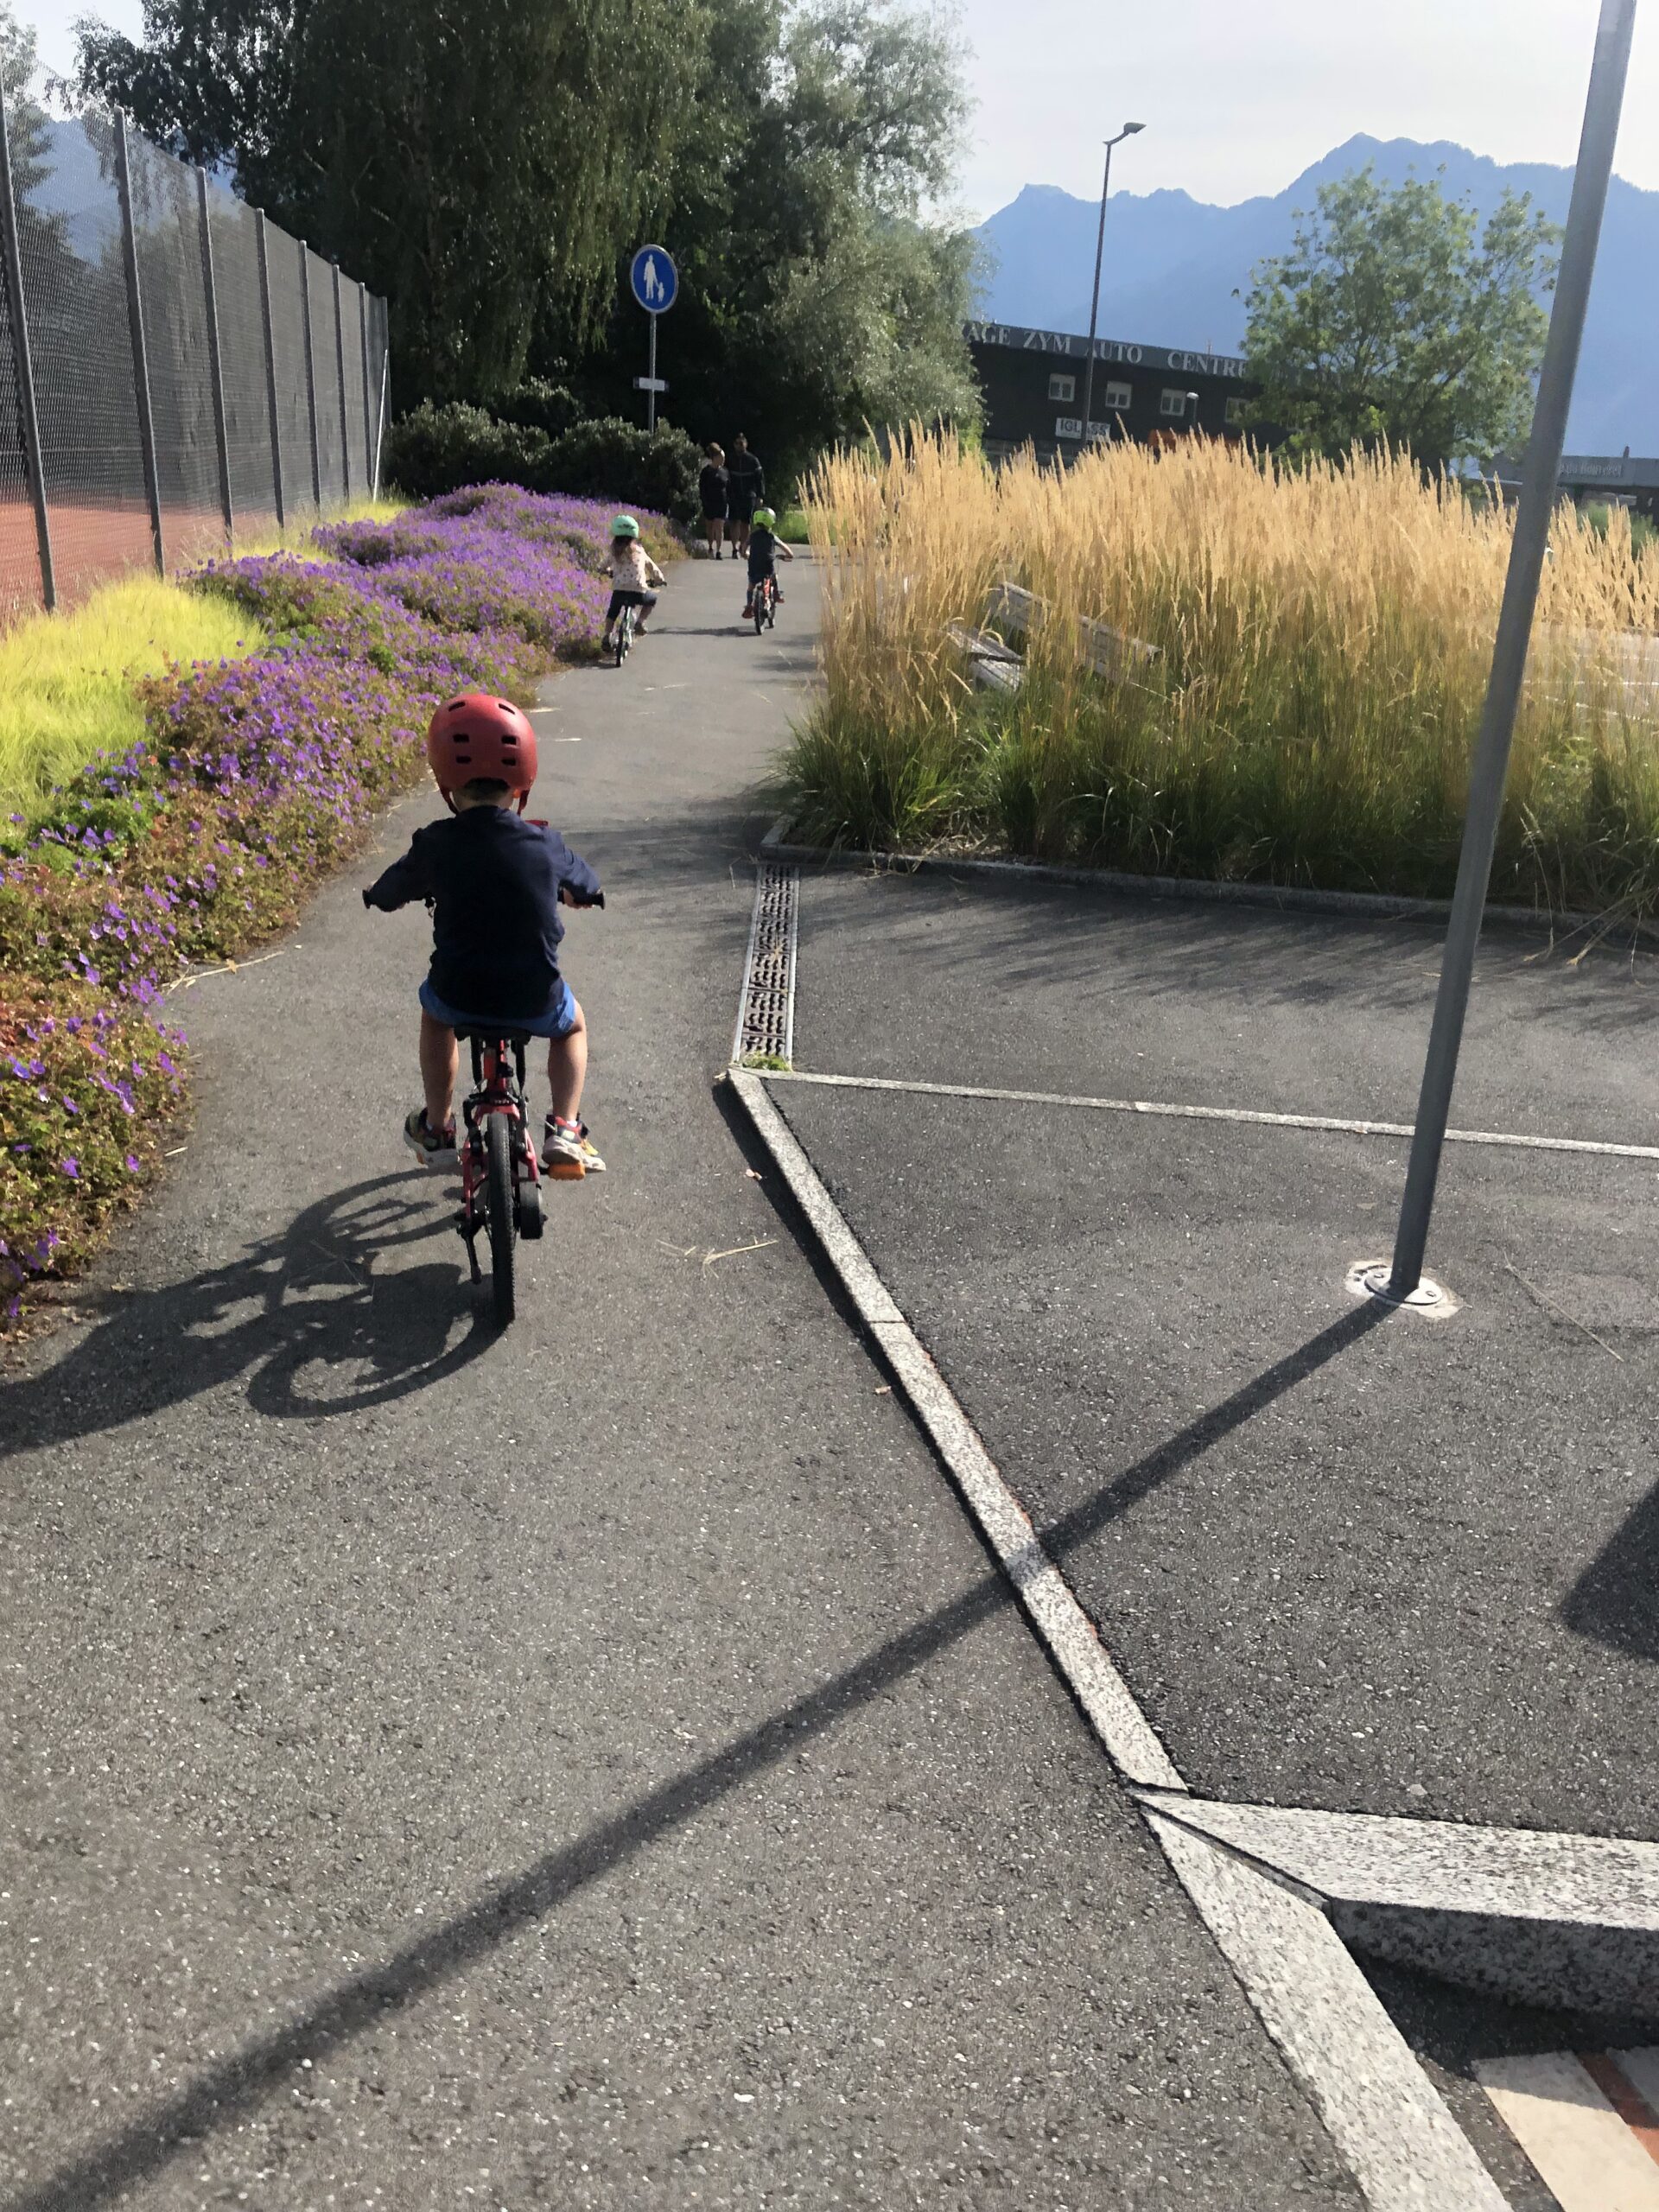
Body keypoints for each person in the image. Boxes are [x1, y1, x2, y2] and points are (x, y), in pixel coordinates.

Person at [361, 693, 607, 1179]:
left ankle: (437, 1128)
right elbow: (588, 885)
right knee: (573, 1027)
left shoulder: (434, 844)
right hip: (534, 997)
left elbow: (390, 891)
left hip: (458, 994)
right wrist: (580, 895)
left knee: (434, 1019)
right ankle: (565, 1128)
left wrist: (379, 895)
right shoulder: (547, 845)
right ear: (522, 783)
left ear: (446, 783)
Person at [601, 514, 667, 650]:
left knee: (612, 612)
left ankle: (606, 636)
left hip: (619, 591)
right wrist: (660, 580)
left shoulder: (614, 552)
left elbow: (602, 566)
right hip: (638, 592)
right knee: (652, 599)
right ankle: (640, 622)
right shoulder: (640, 551)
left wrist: (606, 571)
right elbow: (652, 568)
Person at [741, 504, 793, 620]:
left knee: (751, 586)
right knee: (774, 576)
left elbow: (743, 548)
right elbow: (789, 552)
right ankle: (776, 594)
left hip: (754, 566)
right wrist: (787, 556)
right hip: (767, 566)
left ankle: (749, 606)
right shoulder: (771, 537)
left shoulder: (752, 536)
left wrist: (746, 554)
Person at [726, 433, 765, 557]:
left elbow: (760, 480)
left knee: (745, 523)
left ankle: (744, 548)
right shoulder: (730, 460)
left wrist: (760, 496)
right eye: (737, 443)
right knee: (734, 522)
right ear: (734, 445)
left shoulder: (753, 460)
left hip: (748, 496)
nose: (739, 446)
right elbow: (725, 477)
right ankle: (734, 549)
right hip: (734, 495)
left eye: (741, 443)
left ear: (746, 444)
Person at [698, 445, 729, 559]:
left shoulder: (725, 472)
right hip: (709, 503)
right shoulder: (706, 472)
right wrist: (704, 500)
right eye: (722, 457)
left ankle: (719, 550)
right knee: (710, 527)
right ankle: (710, 547)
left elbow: (729, 486)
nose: (723, 460)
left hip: (722, 503)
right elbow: (702, 488)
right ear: (715, 458)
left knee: (719, 527)